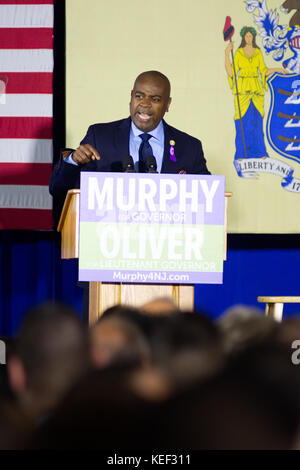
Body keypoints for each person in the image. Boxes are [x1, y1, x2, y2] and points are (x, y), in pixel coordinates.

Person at [50, 70, 210, 223]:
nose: (145, 104)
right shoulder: (100, 136)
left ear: (167, 104)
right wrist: (73, 161)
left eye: (155, 99)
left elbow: (208, 199)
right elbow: (57, 190)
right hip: (109, 242)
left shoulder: (189, 147)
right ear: (131, 97)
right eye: (139, 96)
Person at [225, 27, 286, 161]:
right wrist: (226, 53)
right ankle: (241, 153)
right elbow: (231, 73)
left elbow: (263, 70)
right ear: (243, 38)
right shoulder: (239, 53)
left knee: (257, 121)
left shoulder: (257, 53)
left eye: (250, 36)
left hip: (256, 91)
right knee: (242, 122)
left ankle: (260, 152)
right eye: (246, 36)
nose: (249, 38)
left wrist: (278, 70)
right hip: (243, 91)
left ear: (253, 37)